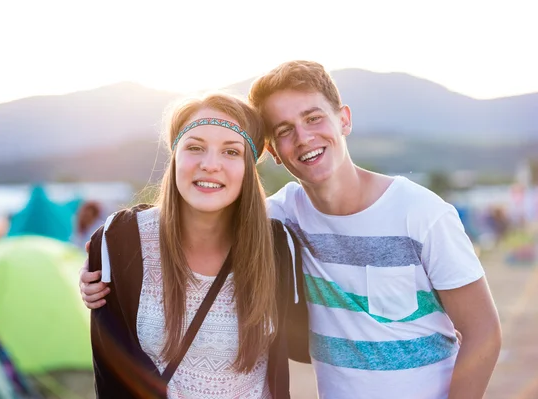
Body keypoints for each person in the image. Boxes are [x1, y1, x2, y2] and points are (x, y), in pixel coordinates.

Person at [82, 61, 502, 399]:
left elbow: (483, 331)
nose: (303, 138)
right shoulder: (282, 218)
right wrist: (108, 254)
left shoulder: (422, 214)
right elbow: (208, 205)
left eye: (314, 118)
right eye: (284, 131)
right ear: (273, 153)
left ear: (344, 120)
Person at [83, 92, 308, 399]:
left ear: (248, 168)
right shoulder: (121, 240)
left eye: (231, 152)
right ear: (175, 155)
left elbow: (303, 351)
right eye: (195, 147)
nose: (210, 164)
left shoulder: (278, 246)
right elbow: (111, 376)